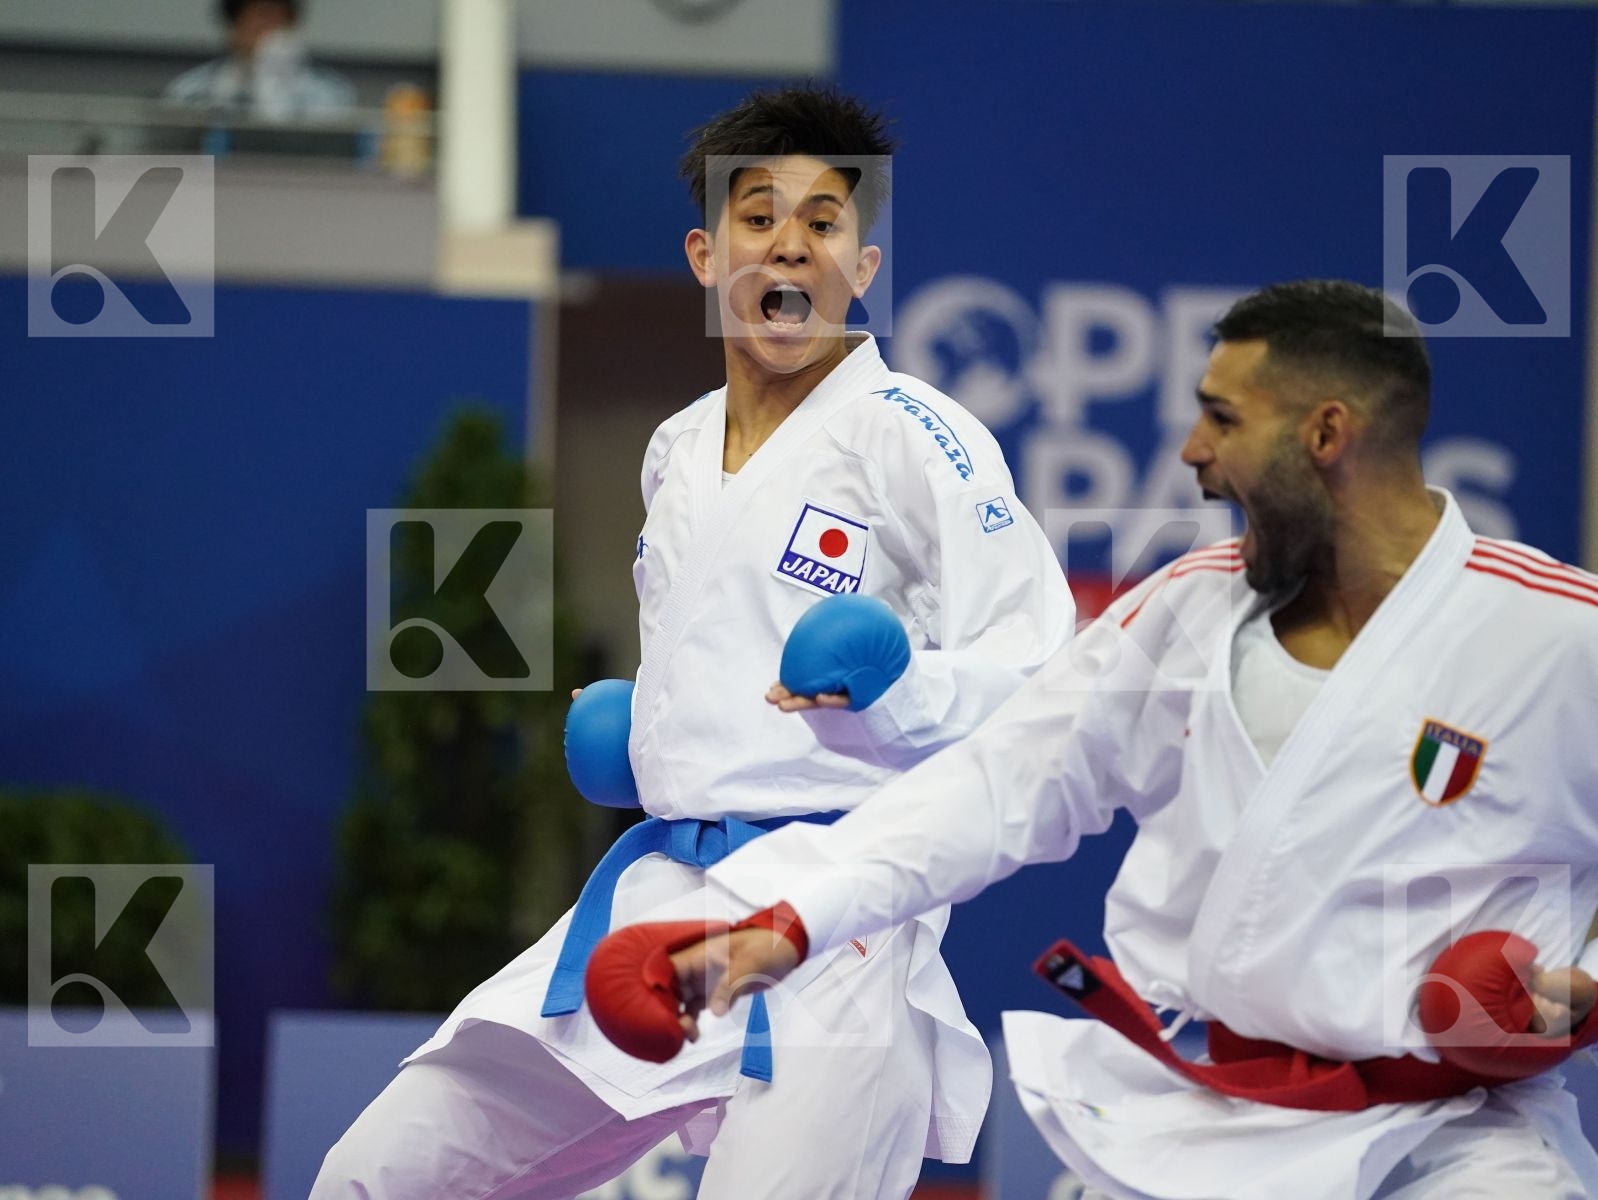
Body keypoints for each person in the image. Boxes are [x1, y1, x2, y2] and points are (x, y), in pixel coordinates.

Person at [621, 280, 1598, 1199]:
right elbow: (990, 788)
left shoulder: (1555, 640)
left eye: (1220, 417)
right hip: (1186, 1117)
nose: (1189, 451)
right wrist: (791, 918)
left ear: (1325, 435)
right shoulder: (1188, 609)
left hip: (1449, 1140)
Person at [312, 85, 1074, 1199]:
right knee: (376, 1176)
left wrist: (896, 693)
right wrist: (659, 737)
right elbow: (725, 644)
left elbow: (1042, 671)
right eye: (759, 216)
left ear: (862, 269)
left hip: (835, 915)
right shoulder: (672, 448)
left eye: (825, 223)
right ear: (705, 254)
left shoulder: (917, 435)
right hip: (659, 894)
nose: (791, 246)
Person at [164, 0, 354, 120]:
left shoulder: (330, 93)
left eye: (277, 20)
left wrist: (273, 81)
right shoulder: (191, 89)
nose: (267, 30)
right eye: (258, 19)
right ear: (234, 28)